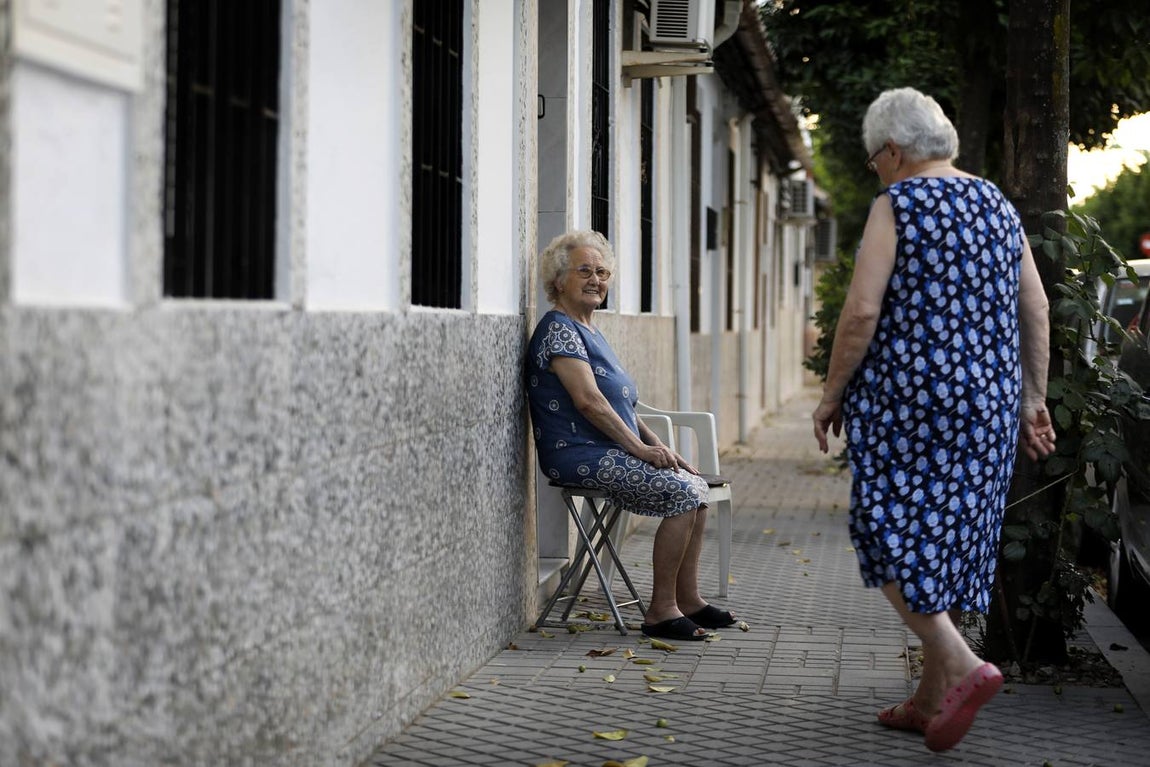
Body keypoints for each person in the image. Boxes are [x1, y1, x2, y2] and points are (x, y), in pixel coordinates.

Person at [811, 88, 1055, 752]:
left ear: (892, 151)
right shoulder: (996, 206)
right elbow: (1035, 308)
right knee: (950, 545)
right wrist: (1033, 399)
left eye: (872, 161)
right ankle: (928, 698)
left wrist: (832, 393)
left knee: (884, 530)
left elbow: (860, 311)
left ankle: (961, 662)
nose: (876, 172)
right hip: (988, 410)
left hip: (907, 407)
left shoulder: (899, 204)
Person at [526, 230, 736, 641]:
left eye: (602, 272)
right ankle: (661, 611)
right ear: (558, 280)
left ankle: (688, 600)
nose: (596, 279)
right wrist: (640, 448)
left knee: (695, 487)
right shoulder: (559, 330)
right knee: (682, 494)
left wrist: (660, 447)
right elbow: (589, 402)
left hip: (607, 448)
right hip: (576, 453)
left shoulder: (590, 330)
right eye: (584, 270)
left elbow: (621, 406)